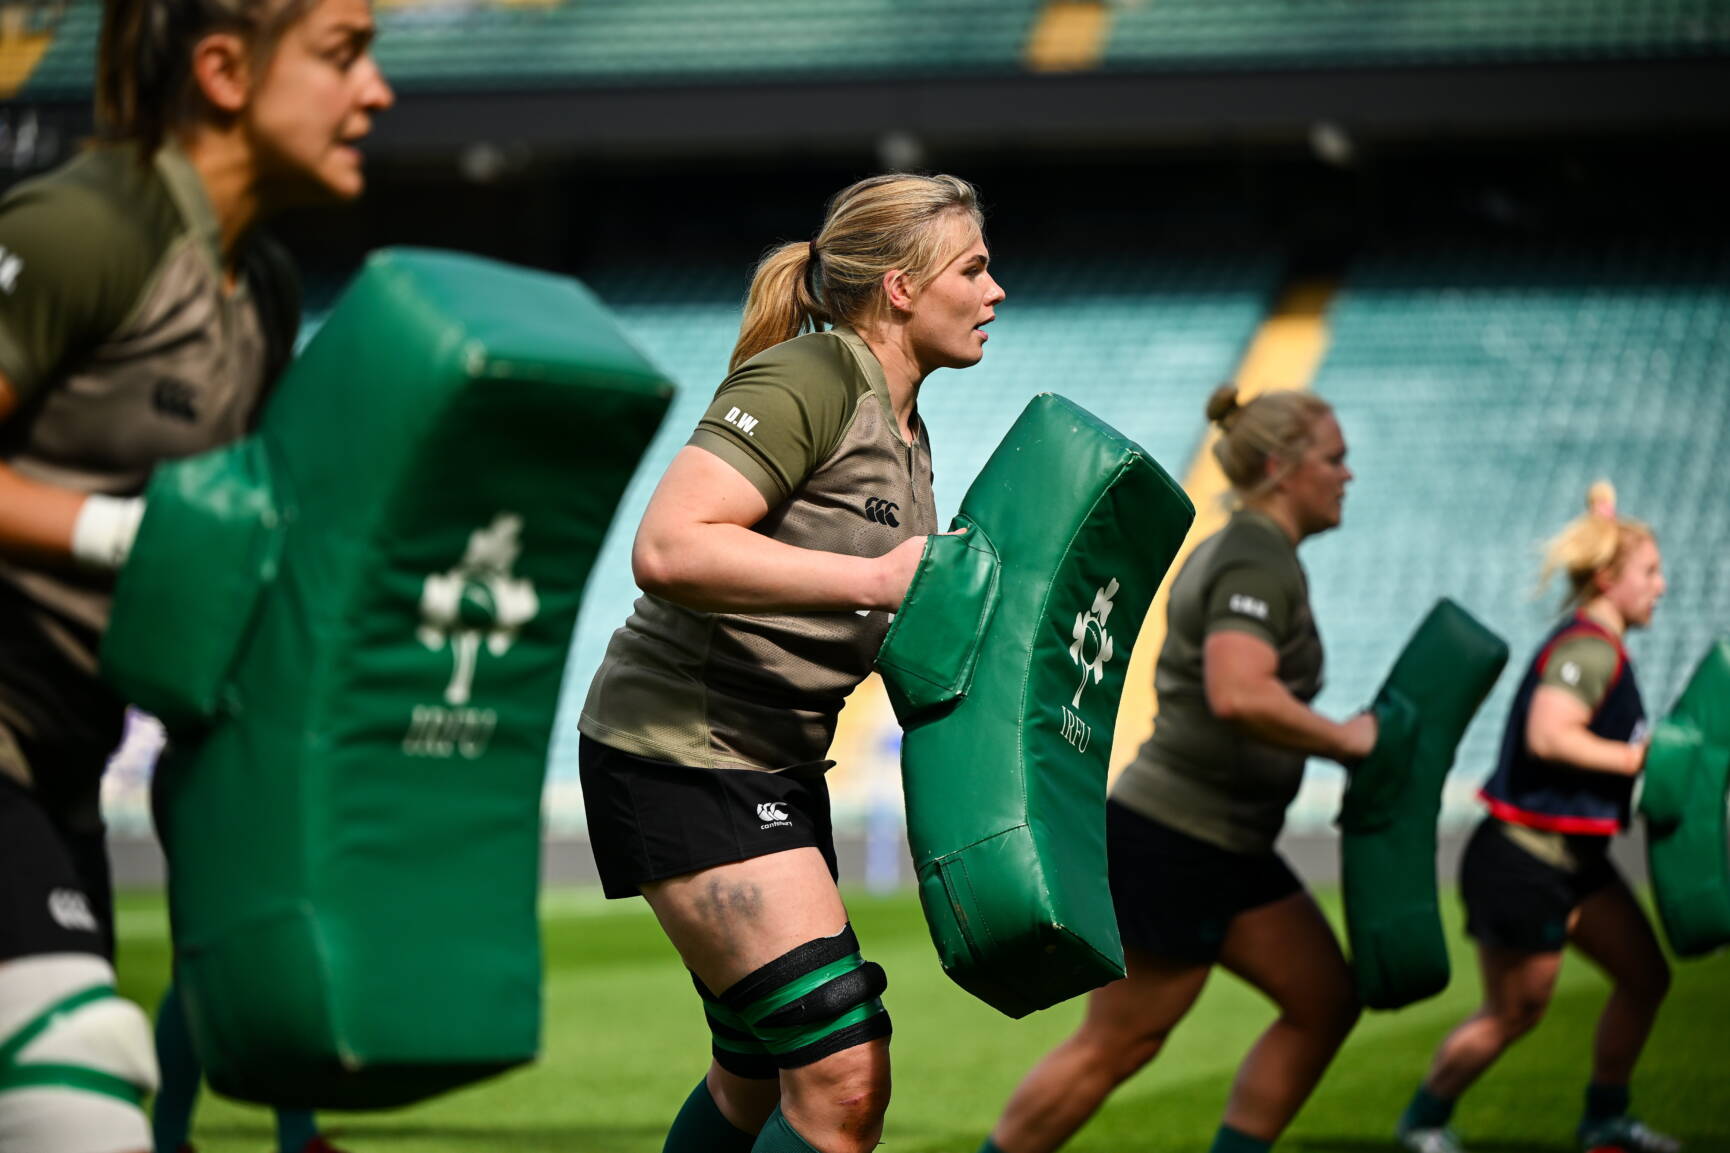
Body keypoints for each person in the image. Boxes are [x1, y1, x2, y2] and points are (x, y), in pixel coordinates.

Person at [0, 0, 392, 1149]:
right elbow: (154, 540)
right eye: (342, 54)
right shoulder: (87, 226)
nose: (378, 92)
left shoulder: (258, 292)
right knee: (75, 1088)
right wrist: (114, 537)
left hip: (59, 764)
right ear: (223, 69)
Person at [576, 172, 1003, 1153]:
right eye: (972, 268)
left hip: (769, 760)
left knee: (753, 1074)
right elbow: (670, 547)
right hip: (684, 750)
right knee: (840, 1072)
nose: (995, 290)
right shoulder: (813, 378)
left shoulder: (908, 436)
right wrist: (886, 579)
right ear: (899, 286)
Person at [978, 385, 1374, 1153]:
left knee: (1324, 998)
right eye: (1336, 458)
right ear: (1281, 466)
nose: (1347, 474)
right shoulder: (1255, 554)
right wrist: (1345, 740)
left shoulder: (1255, 550)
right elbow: (1238, 688)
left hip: (1225, 842)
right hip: (1179, 837)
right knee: (1120, 1043)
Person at [1398, 481, 1676, 1153]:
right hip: (1523, 859)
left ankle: (1605, 1120)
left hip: (1572, 859)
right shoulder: (1590, 649)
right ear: (1609, 580)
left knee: (1645, 975)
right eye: (1649, 572)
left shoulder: (1602, 643)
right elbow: (1551, 736)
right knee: (1516, 1011)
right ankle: (1424, 1122)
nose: (1662, 586)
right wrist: (1641, 759)